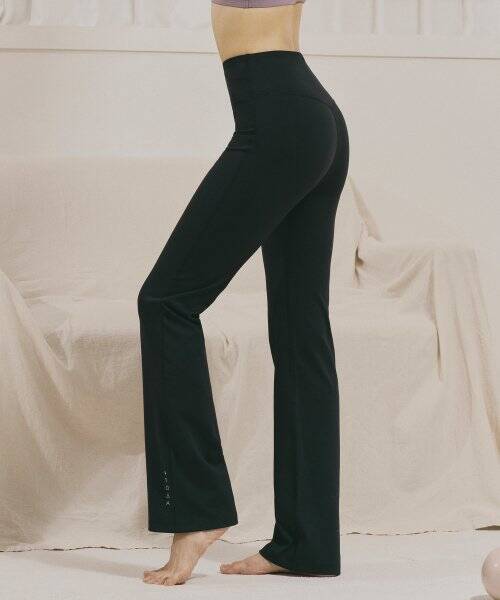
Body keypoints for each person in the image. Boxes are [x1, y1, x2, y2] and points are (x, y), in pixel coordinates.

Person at [138, 0, 349, 586]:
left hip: (280, 118)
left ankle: (196, 511)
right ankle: (306, 542)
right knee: (302, 335)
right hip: (309, 116)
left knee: (165, 302)